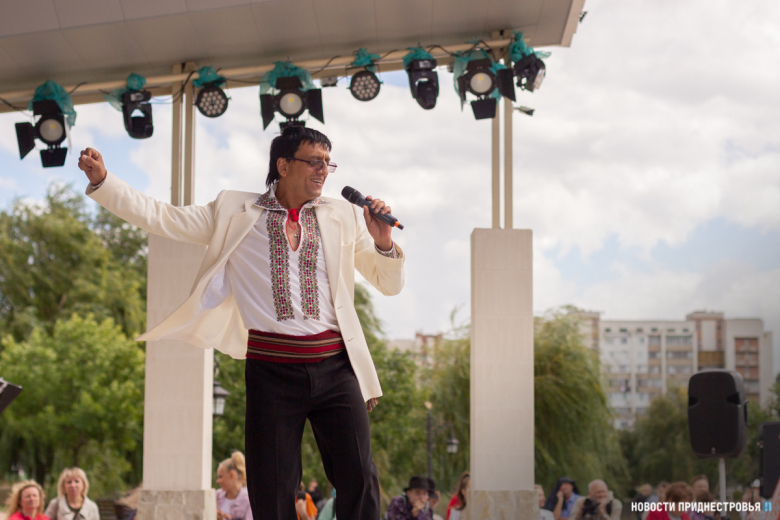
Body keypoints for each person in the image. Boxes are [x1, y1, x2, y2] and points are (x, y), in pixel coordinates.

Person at [78, 125, 405, 520]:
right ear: (283, 165)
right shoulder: (234, 211)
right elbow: (163, 218)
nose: (323, 170)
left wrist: (383, 242)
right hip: (272, 372)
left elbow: (389, 285)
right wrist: (105, 183)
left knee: (361, 477)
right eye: (314, 161)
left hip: (337, 367)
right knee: (272, 487)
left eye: (327, 163)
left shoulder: (345, 216)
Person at [216, 452, 252, 520]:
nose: (218, 481)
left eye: (220, 476)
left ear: (232, 475)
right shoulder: (216, 496)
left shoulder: (248, 501)